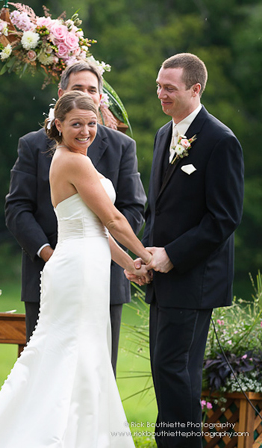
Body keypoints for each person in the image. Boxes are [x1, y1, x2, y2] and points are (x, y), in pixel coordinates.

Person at [0, 91, 152, 448]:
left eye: (92, 124)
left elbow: (95, 228)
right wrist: (146, 254)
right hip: (77, 271)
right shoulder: (73, 162)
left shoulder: (78, 158)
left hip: (88, 263)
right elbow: (112, 218)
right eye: (76, 124)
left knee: (88, 351)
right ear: (59, 125)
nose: (85, 131)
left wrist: (130, 264)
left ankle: (85, 435)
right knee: (70, 351)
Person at [126, 53, 244, 448]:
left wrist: (172, 254)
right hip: (163, 277)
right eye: (159, 85)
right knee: (167, 371)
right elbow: (157, 209)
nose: (161, 93)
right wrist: (142, 255)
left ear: (195, 89)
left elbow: (223, 218)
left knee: (175, 371)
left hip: (195, 279)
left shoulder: (221, 140)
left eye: (169, 88)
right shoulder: (164, 134)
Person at [5, 60, 146, 373]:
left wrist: (125, 262)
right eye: (78, 89)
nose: (86, 95)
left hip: (104, 275)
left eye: (92, 90)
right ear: (61, 97)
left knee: (97, 371)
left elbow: (131, 209)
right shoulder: (34, 145)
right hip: (54, 271)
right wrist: (51, 254)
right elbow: (17, 209)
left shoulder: (122, 146)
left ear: (100, 98)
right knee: (50, 368)